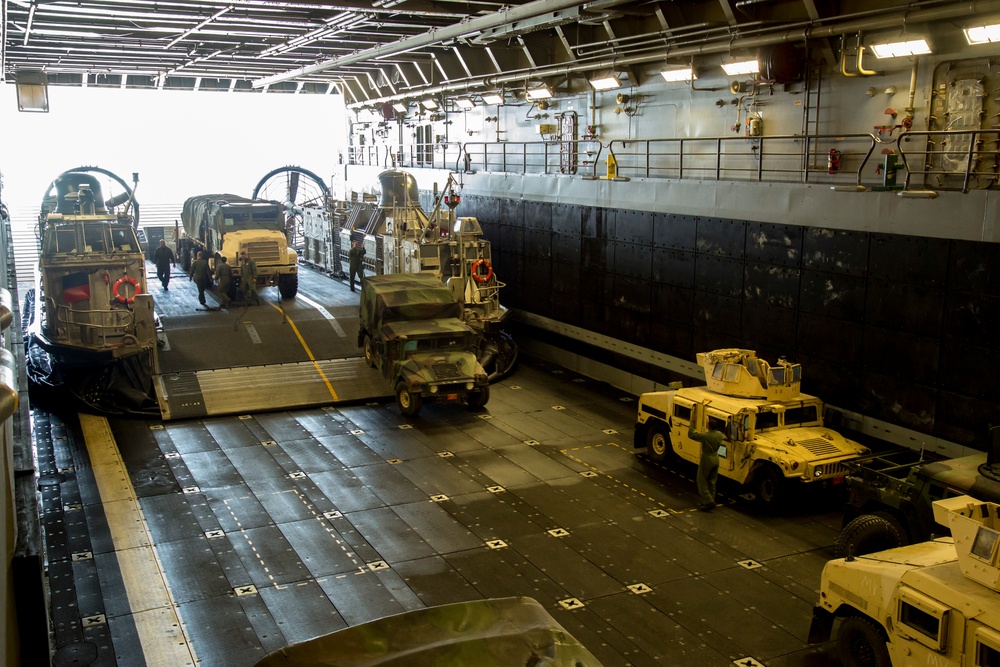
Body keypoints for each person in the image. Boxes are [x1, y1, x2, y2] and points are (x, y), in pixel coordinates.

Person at [688, 418, 724, 511]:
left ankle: (708, 501)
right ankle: (710, 500)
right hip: (716, 458)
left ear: (709, 426)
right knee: (712, 482)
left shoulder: (705, 436)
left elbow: (691, 435)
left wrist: (692, 424)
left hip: (707, 458)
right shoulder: (719, 435)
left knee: (702, 481)